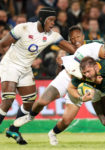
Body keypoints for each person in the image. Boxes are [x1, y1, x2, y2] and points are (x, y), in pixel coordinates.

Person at [13, 26, 105, 145]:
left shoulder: (103, 47)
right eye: (72, 38)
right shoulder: (84, 51)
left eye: (78, 37)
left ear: (83, 37)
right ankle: (30, 117)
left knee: (67, 121)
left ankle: (52, 133)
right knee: (42, 101)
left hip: (83, 82)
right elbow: (74, 72)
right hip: (68, 76)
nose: (75, 40)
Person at [0, 7, 76, 145]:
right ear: (42, 19)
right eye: (50, 20)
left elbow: (72, 49)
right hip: (10, 64)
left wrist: (89, 49)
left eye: (54, 20)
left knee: (29, 103)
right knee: (8, 100)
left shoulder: (52, 35)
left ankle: (13, 129)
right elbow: (2, 44)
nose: (53, 23)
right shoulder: (23, 28)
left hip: (25, 68)